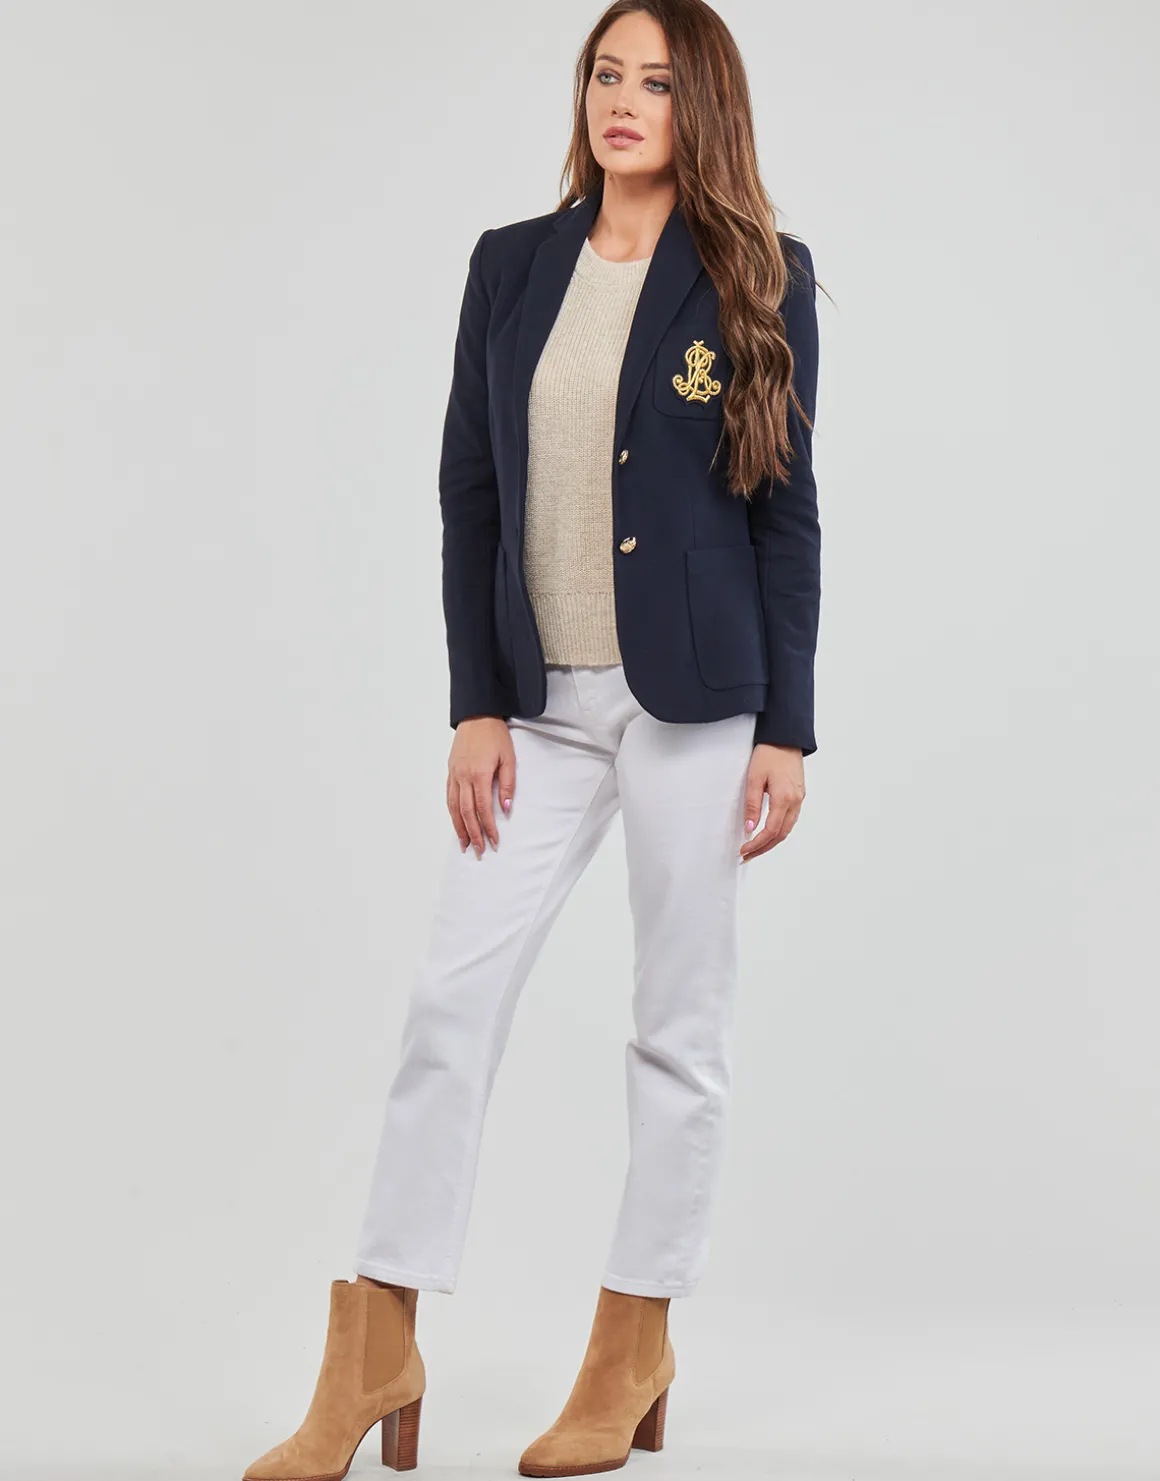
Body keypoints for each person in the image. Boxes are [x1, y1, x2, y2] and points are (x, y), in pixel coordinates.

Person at [241, 1, 821, 1477]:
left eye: (656, 82)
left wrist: (790, 729)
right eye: (606, 75)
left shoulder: (759, 277)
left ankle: (633, 1345)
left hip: (699, 704)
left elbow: (784, 513)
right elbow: (469, 494)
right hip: (541, 709)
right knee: (451, 999)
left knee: (676, 1026)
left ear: (701, 107)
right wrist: (474, 704)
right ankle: (375, 1341)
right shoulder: (511, 266)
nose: (624, 101)